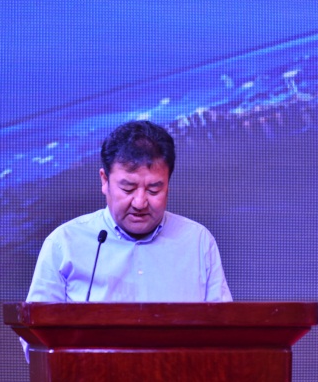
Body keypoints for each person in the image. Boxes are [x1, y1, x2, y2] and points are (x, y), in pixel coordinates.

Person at [26, 120, 232, 304]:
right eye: (128, 189)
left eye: (154, 190)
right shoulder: (64, 244)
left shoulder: (197, 242)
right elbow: (37, 328)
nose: (140, 203)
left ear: (168, 184)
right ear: (105, 180)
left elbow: (223, 327)